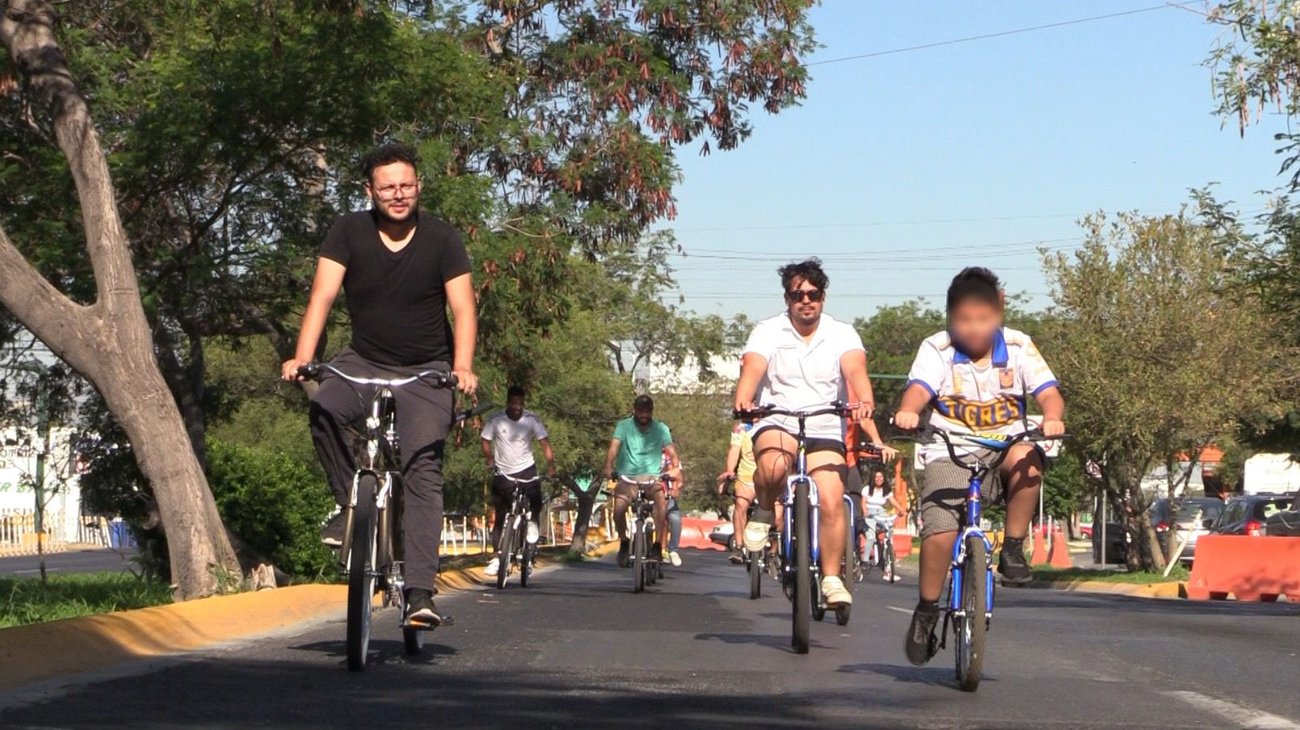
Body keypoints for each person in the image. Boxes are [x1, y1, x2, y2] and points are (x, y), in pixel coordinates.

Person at [282, 143, 478, 629]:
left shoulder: (441, 237)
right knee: (324, 407)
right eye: (387, 187)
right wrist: (304, 358)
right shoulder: (348, 231)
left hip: (426, 371)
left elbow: (464, 309)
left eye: (406, 185)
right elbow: (322, 296)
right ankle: (350, 504)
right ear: (369, 190)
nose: (398, 194)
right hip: (362, 361)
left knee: (422, 467)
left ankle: (419, 595)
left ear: (419, 187)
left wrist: (463, 366)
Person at [894, 266, 1065, 666]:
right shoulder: (936, 349)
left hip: (1004, 445)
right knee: (939, 531)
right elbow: (919, 389)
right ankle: (926, 610)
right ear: (950, 316)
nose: (974, 329)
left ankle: (1015, 548)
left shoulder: (1020, 347)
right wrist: (907, 410)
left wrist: (1052, 416)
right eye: (964, 320)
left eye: (984, 319)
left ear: (999, 310)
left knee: (1029, 459)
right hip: (949, 445)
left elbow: (1050, 394)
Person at [733, 258, 877, 609]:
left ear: (823, 297)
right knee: (771, 469)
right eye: (798, 295)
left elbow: (855, 370)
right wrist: (744, 397)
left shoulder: (842, 332)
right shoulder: (767, 331)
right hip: (778, 419)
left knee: (831, 499)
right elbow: (753, 368)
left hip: (825, 423)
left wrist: (865, 400)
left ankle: (831, 578)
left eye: (813, 294)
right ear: (787, 299)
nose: (806, 301)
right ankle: (765, 509)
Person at [482, 385, 557, 577]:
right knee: (500, 515)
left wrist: (551, 466)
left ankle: (528, 552)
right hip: (503, 472)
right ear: (508, 403)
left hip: (526, 470)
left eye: (520, 404)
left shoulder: (531, 419)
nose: (517, 407)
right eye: (514, 403)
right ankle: (498, 557)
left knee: (535, 505)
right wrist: (490, 459)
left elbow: (544, 443)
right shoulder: (496, 419)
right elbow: (485, 440)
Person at [602, 395, 680, 568]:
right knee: (619, 509)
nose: (644, 415)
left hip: (652, 478)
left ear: (651, 412)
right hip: (628, 478)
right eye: (640, 411)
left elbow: (672, 454)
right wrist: (608, 466)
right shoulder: (624, 426)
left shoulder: (661, 429)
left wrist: (675, 469)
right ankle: (623, 541)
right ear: (635, 410)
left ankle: (658, 546)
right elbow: (614, 446)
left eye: (647, 411)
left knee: (661, 501)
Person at [717, 421, 757, 564]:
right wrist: (730, 471)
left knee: (778, 513)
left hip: (769, 478)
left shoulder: (776, 421)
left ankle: (774, 550)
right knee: (740, 505)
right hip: (747, 478)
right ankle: (739, 547)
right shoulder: (742, 428)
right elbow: (735, 449)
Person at [861, 468, 906, 581]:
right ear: (873, 478)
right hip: (870, 513)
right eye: (876, 477)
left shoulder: (886, 490)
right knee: (871, 537)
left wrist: (901, 510)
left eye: (881, 477)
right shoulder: (867, 489)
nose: (879, 479)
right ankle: (865, 561)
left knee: (888, 531)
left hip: (881, 512)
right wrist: (865, 511)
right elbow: (863, 502)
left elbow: (893, 501)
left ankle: (888, 564)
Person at [662, 451, 685, 567]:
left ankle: (672, 550)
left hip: (665, 496)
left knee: (675, 519)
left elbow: (678, 478)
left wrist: (675, 488)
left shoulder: (668, 455)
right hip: (644, 494)